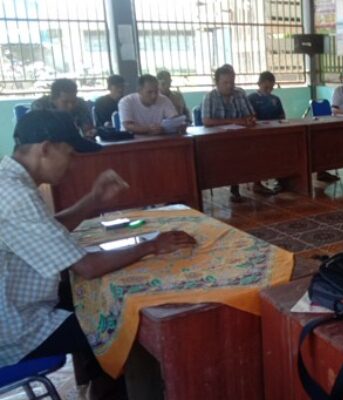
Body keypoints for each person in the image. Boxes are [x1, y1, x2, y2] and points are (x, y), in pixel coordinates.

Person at [0, 110, 197, 399]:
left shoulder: (10, 181)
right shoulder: (17, 196)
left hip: (18, 307)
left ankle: (99, 383)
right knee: (126, 327)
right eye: (70, 154)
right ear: (46, 148)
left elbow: (49, 231)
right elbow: (88, 266)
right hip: (18, 328)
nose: (72, 165)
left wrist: (93, 200)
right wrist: (151, 245)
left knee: (96, 297)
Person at [201, 64, 268, 200]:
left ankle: (256, 183)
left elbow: (250, 115)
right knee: (230, 154)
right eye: (225, 83)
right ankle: (234, 186)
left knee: (256, 148)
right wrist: (235, 121)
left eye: (232, 82)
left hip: (239, 136)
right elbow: (207, 121)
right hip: (217, 140)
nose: (229, 86)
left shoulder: (239, 94)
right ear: (217, 83)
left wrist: (248, 120)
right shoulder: (210, 97)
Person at [247, 71, 285, 194]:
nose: (268, 90)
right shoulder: (252, 98)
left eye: (271, 87)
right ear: (259, 84)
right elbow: (250, 117)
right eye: (266, 87)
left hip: (274, 132)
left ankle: (281, 178)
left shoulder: (276, 99)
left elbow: (282, 116)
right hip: (258, 134)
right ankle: (257, 183)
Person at [118, 74, 183, 135]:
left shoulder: (163, 99)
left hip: (157, 138)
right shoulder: (126, 102)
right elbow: (127, 125)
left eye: (156, 91)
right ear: (139, 91)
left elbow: (174, 120)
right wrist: (148, 129)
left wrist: (179, 125)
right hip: (132, 140)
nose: (154, 96)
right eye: (149, 92)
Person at [31, 78, 96, 138]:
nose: (70, 106)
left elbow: (87, 126)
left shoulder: (80, 103)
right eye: (65, 102)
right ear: (53, 99)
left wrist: (89, 131)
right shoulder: (40, 106)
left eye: (73, 101)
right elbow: (40, 133)